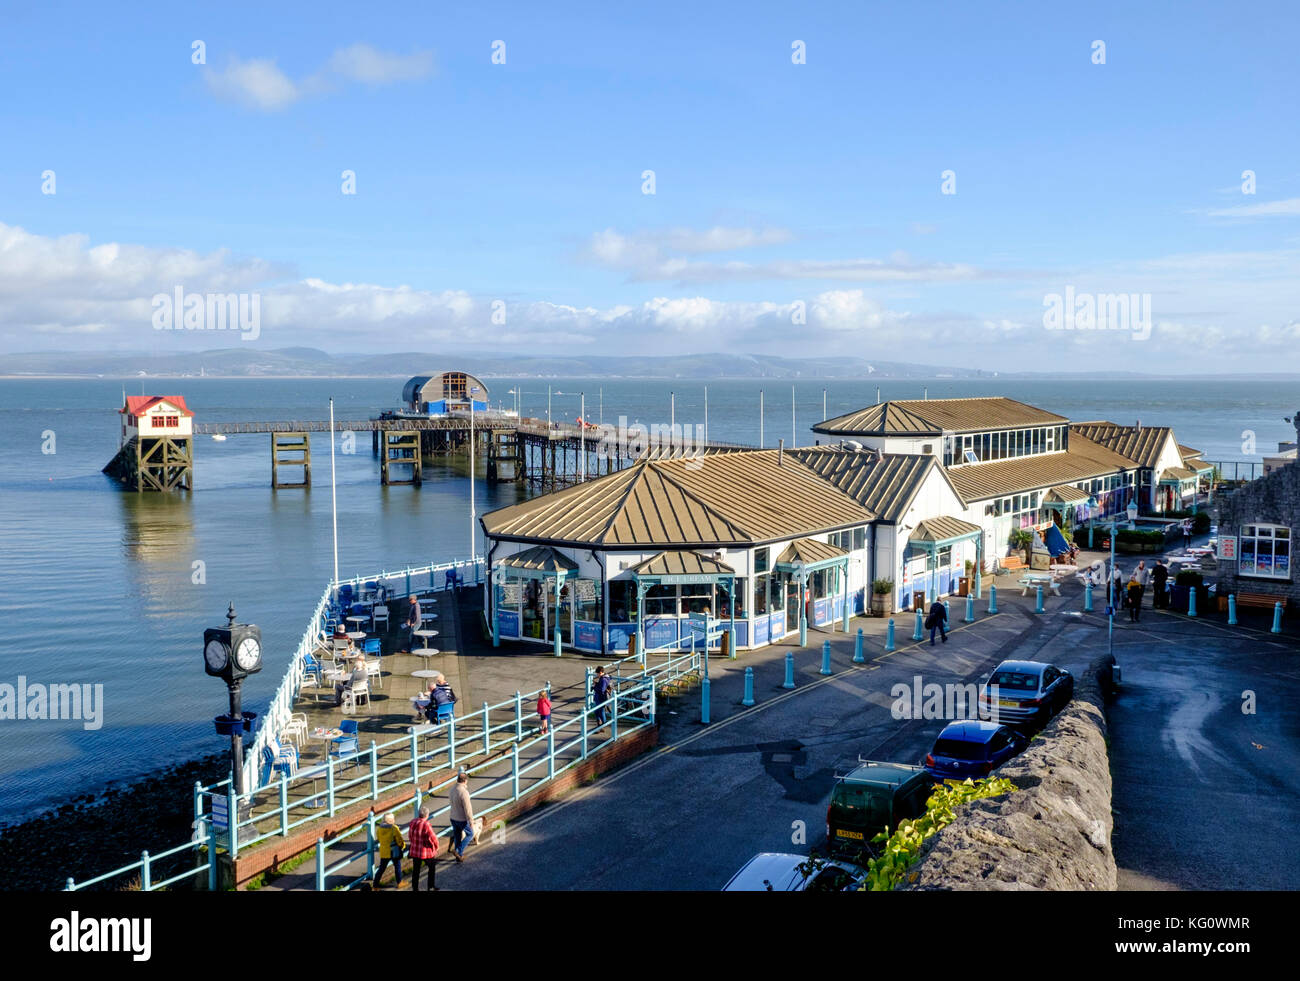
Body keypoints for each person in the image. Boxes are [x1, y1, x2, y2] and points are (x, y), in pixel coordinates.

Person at [407, 805, 439, 891]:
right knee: (432, 867)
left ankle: (415, 888)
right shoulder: (426, 824)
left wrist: (413, 843)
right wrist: (436, 847)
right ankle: (430, 886)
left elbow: (410, 835)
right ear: (427, 815)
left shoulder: (413, 822)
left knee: (416, 870)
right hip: (425, 851)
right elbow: (433, 838)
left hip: (415, 850)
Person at [449, 770, 476, 862]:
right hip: (461, 819)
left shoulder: (452, 789)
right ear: (465, 781)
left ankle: (458, 856)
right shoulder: (464, 792)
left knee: (457, 836)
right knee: (470, 834)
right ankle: (458, 850)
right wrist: (471, 822)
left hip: (453, 817)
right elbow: (468, 809)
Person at [373, 812, 405, 888]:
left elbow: (379, 839)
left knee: (381, 868)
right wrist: (402, 846)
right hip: (394, 851)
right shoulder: (394, 828)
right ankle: (399, 883)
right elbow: (399, 839)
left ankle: (375, 885)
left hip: (384, 851)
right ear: (391, 820)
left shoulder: (379, 829)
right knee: (397, 866)